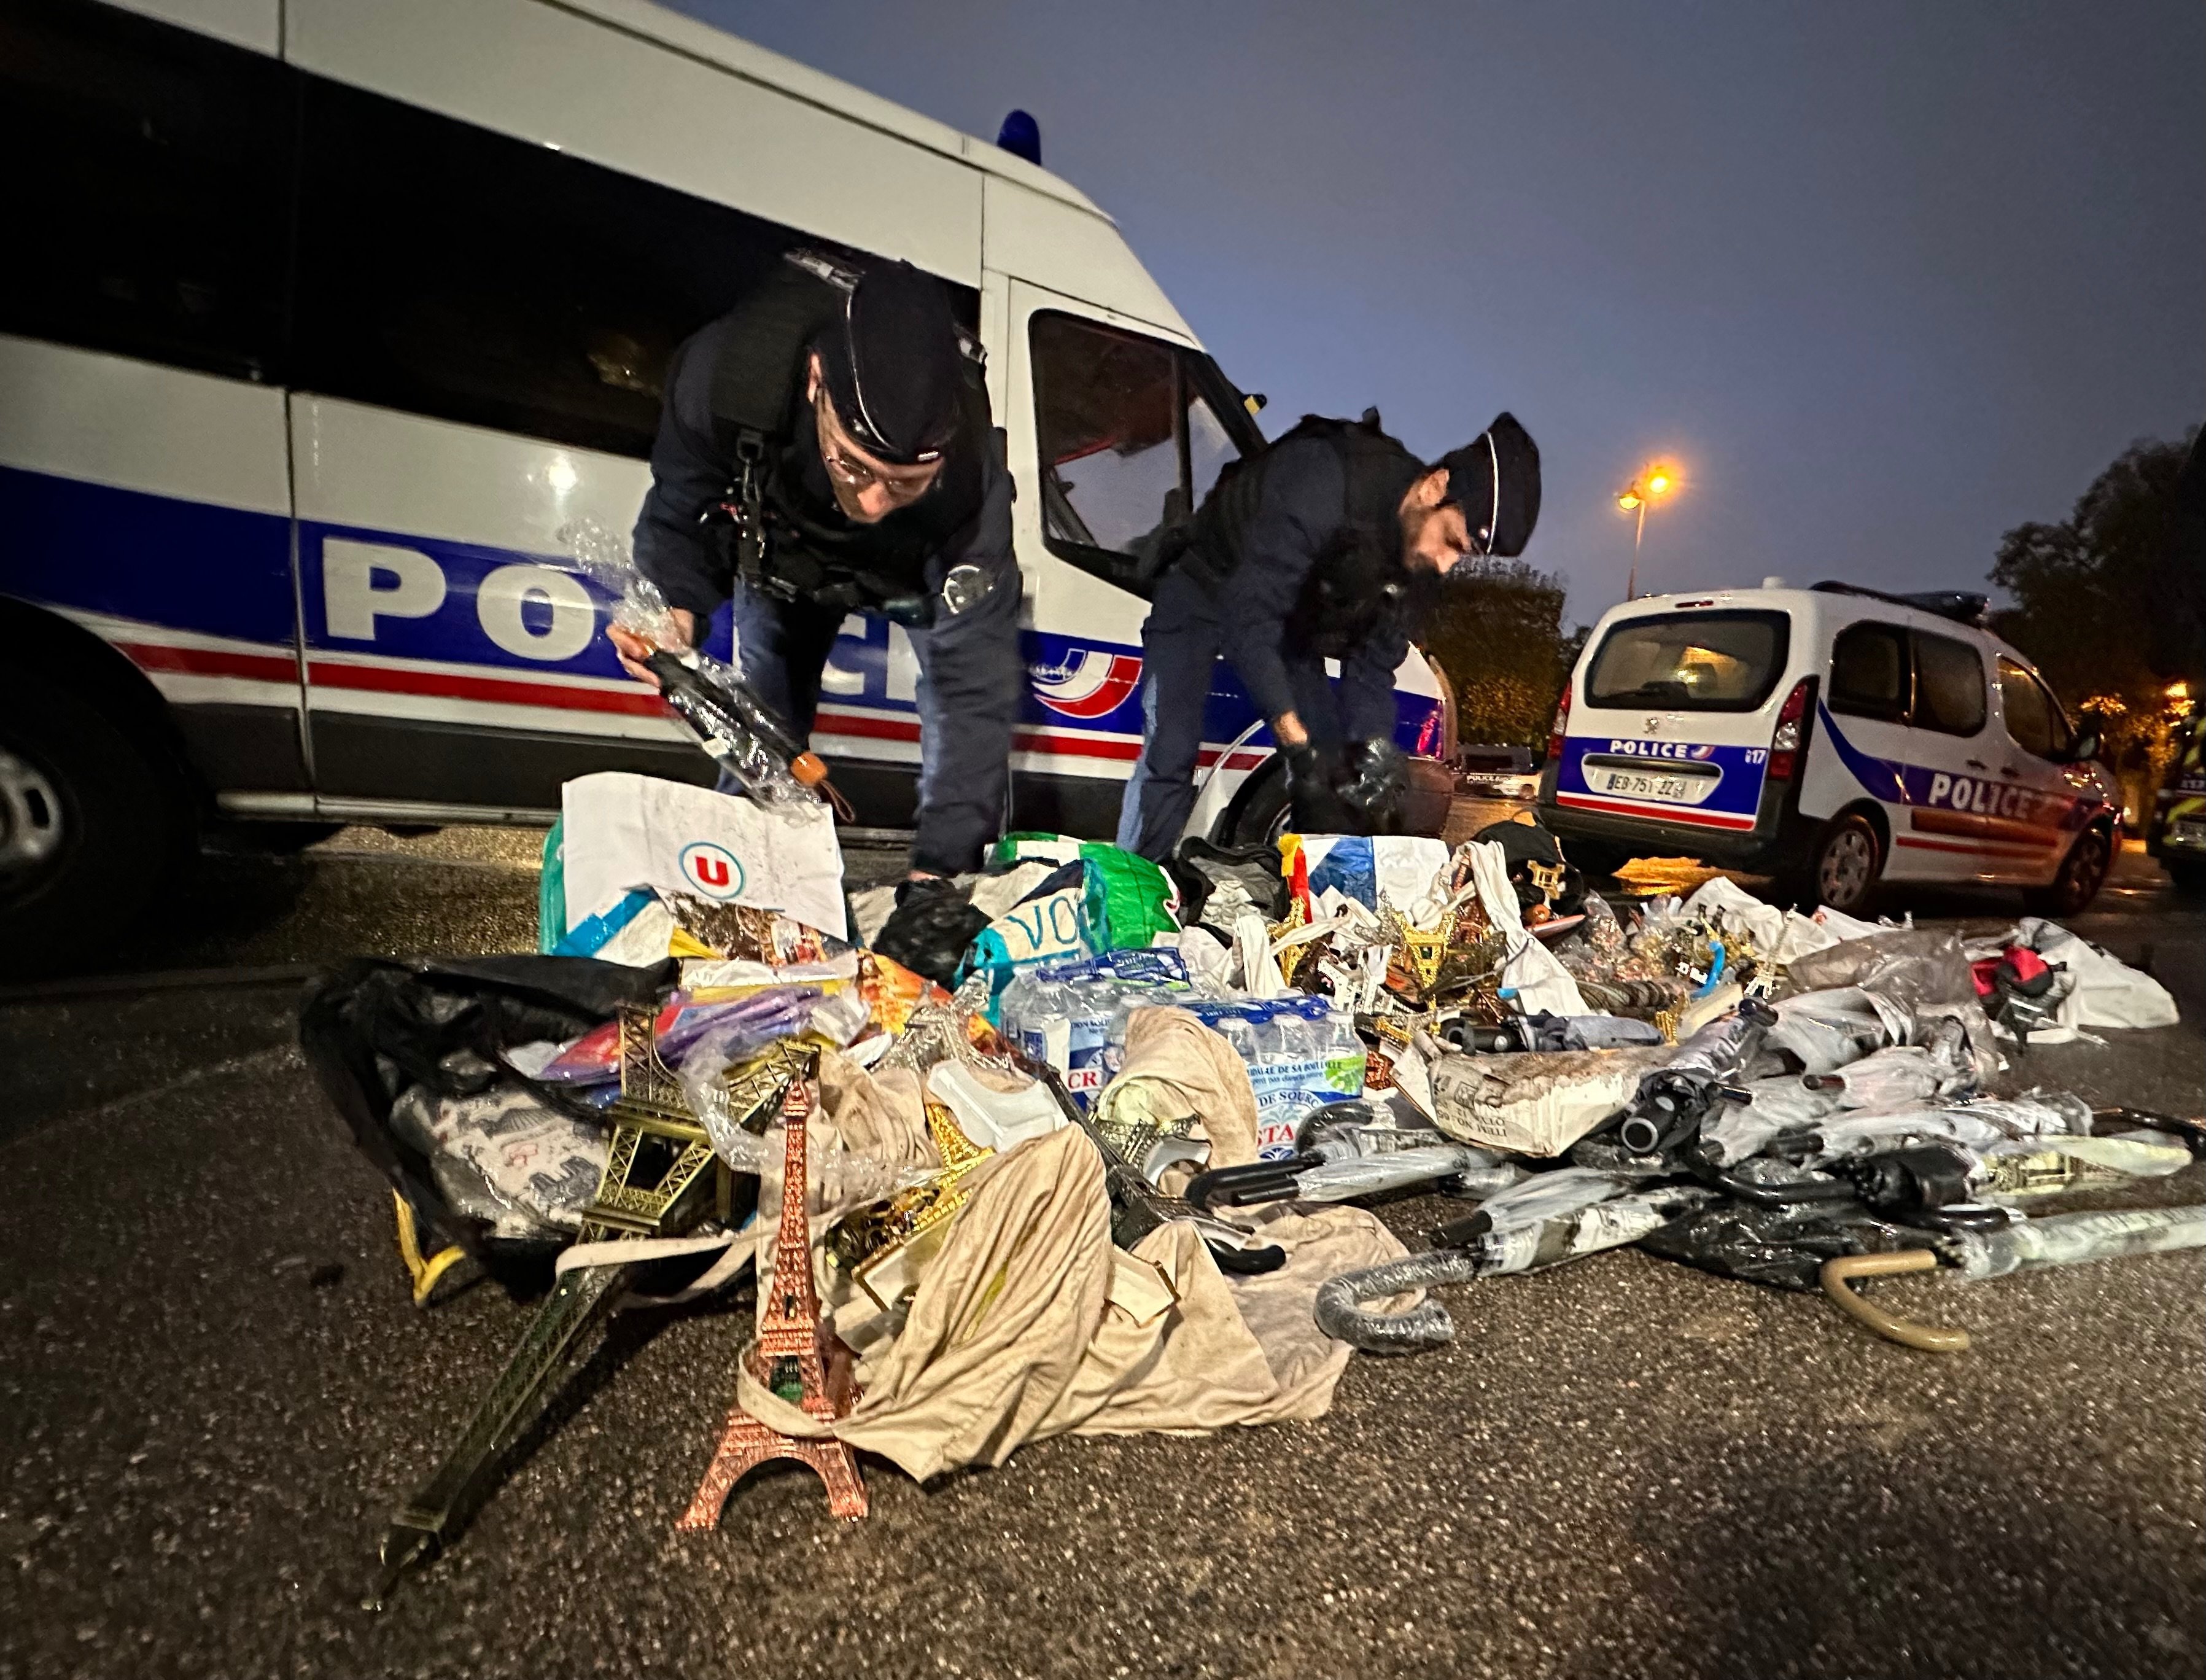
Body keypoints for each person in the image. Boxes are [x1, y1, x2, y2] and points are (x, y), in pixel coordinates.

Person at [610, 252, 1021, 974]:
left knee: (962, 758)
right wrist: (673, 609)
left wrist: (935, 883)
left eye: (903, 483)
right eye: (854, 465)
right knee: (762, 733)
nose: (869, 504)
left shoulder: (967, 490)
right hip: (787, 562)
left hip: (908, 574)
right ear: (813, 385)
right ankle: (739, 892)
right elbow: (677, 513)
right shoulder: (725, 376)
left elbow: (971, 687)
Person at [1115, 409, 1541, 861]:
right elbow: (1250, 618)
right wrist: (1292, 736)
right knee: (1171, 750)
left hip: (1292, 623)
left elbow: (1373, 667)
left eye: (1464, 556)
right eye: (1452, 542)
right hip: (1206, 588)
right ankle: (1134, 884)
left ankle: (1305, 906)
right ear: (1434, 486)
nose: (1444, 564)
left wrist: (1374, 749)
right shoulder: (1325, 478)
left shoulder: (1420, 564)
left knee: (1332, 777)